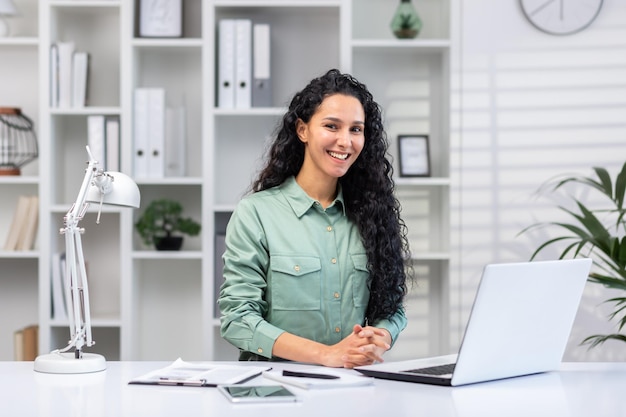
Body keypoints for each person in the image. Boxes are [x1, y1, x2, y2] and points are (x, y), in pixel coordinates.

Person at [218, 69, 412, 368]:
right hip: (274, 388)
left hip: (351, 386)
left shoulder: (372, 214)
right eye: (332, 126)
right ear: (302, 130)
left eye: (356, 129)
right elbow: (238, 319)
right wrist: (327, 354)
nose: (345, 141)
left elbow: (391, 307)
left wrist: (380, 335)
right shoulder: (256, 213)